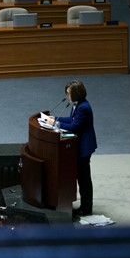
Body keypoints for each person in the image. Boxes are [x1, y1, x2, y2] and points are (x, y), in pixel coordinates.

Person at [47, 80, 97, 217]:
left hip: (84, 147)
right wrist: (55, 118)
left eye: (68, 93)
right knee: (82, 178)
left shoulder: (83, 108)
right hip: (79, 145)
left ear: (76, 94)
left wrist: (55, 123)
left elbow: (74, 127)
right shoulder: (77, 104)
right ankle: (85, 206)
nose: (67, 96)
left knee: (84, 179)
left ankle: (86, 209)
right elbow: (71, 120)